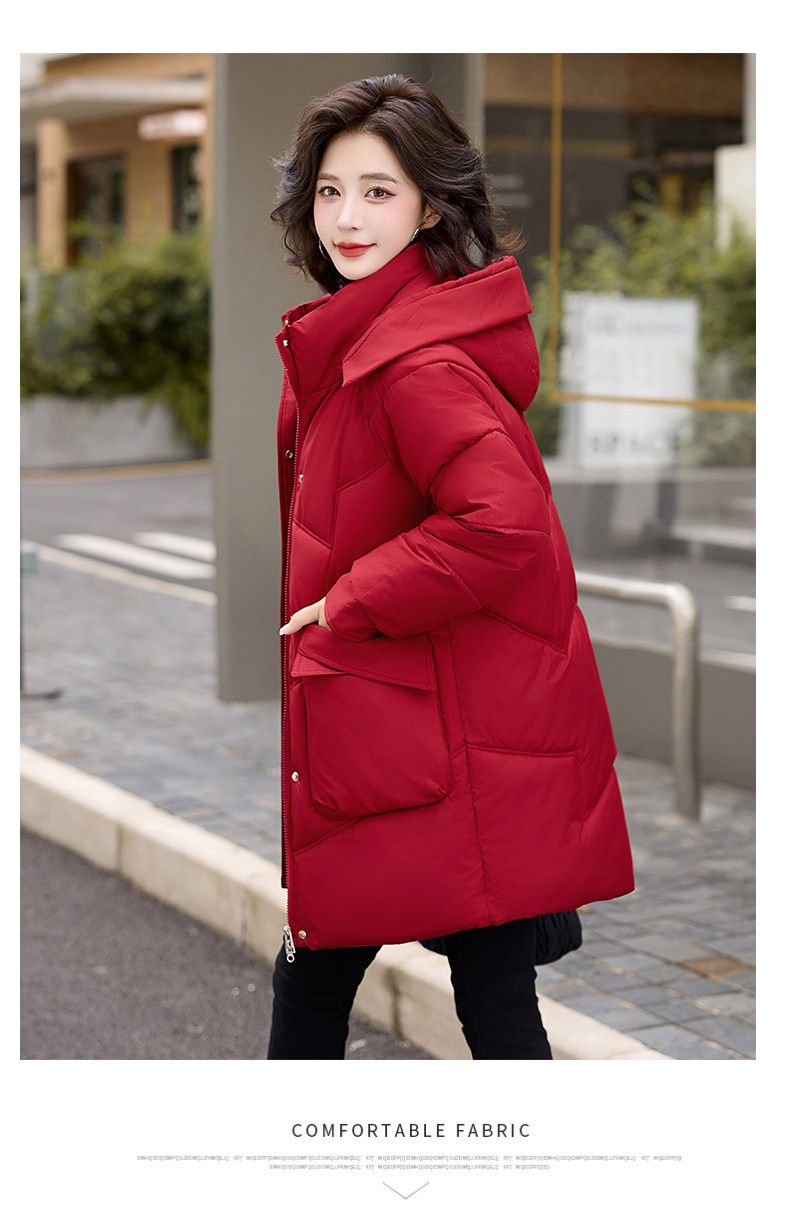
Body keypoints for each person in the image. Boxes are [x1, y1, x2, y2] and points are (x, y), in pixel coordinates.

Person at [267, 74, 634, 1060]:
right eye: (329, 190)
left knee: (330, 986)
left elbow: (502, 526)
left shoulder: (414, 363)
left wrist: (351, 598)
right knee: (483, 998)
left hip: (436, 748)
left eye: (377, 192)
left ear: (430, 207)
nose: (346, 217)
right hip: (410, 734)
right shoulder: (364, 343)